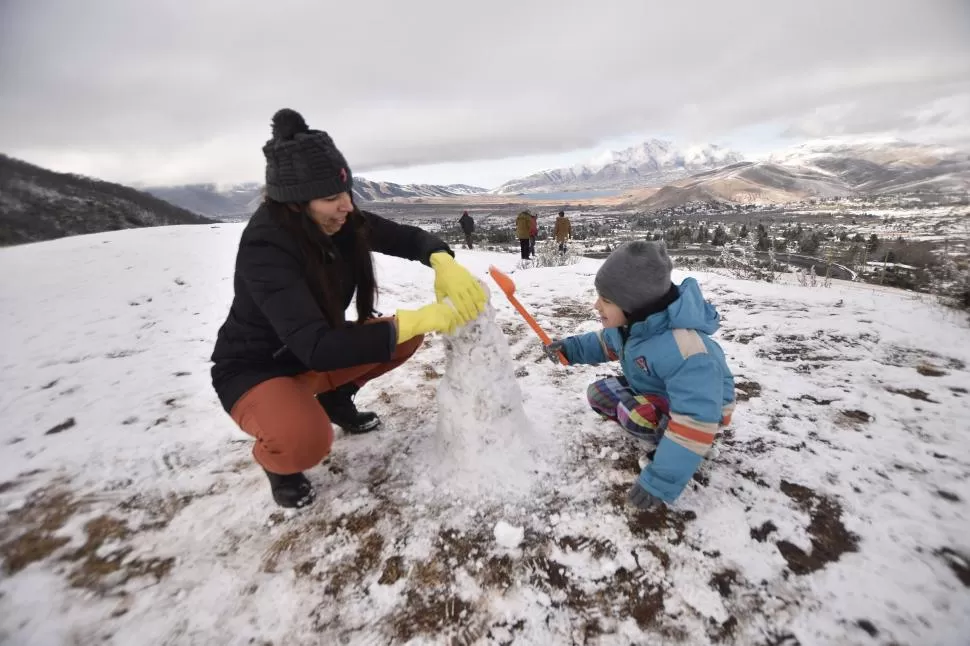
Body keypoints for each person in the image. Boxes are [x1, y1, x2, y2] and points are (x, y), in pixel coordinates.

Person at [210, 109, 486, 508]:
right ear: (293, 203)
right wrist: (422, 316)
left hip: (312, 357)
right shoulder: (265, 249)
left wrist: (441, 260)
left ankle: (335, 398)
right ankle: (278, 460)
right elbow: (318, 347)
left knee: (404, 338)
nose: (346, 206)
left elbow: (405, 238)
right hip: (260, 370)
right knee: (306, 442)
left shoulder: (340, 221)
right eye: (330, 198)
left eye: (347, 193)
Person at [542, 241, 735, 510]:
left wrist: (661, 481)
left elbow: (696, 416)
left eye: (606, 301)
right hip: (661, 393)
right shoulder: (634, 326)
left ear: (634, 304)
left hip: (702, 413)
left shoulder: (684, 349)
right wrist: (569, 349)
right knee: (598, 394)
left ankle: (677, 444)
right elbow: (603, 343)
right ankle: (662, 425)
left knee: (632, 413)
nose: (597, 305)